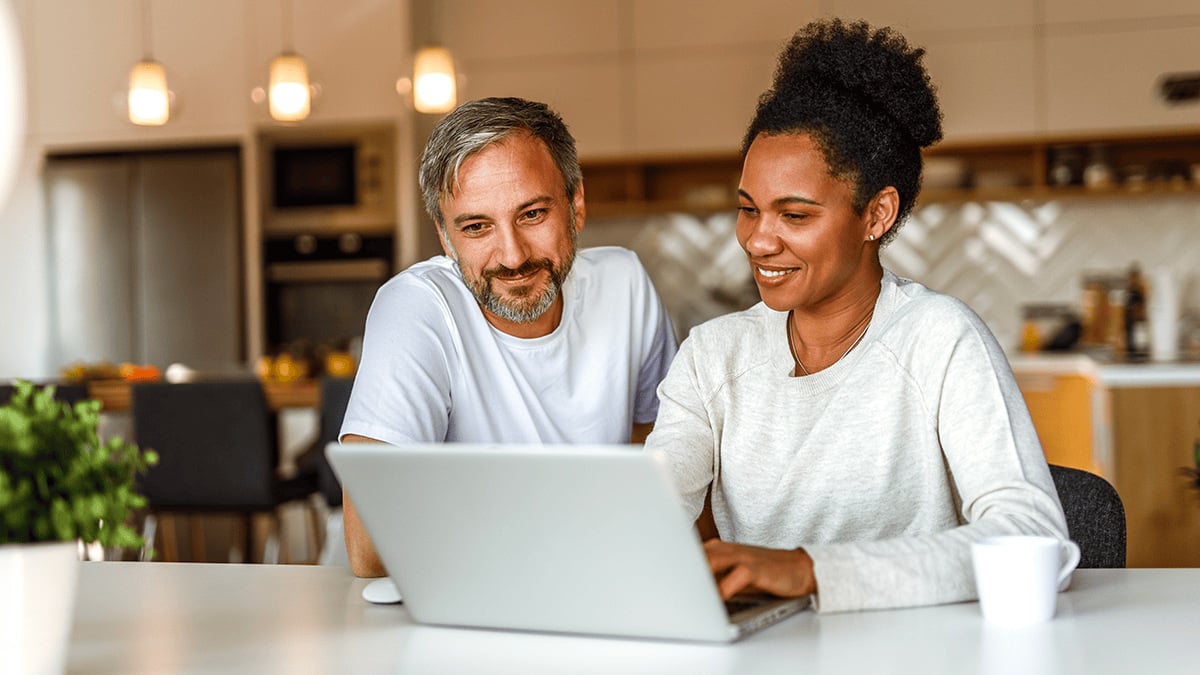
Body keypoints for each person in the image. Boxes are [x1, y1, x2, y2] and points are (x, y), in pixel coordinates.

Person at [644, 20, 1069, 613]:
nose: (759, 241)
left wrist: (811, 570)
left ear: (876, 215)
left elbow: (1034, 536)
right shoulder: (713, 356)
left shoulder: (939, 338)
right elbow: (650, 512)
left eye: (794, 216)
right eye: (748, 210)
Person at [340, 97, 678, 577]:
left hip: (594, 586)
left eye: (533, 214)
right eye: (477, 227)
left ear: (576, 204)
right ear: (444, 237)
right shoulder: (415, 308)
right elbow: (371, 550)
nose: (513, 255)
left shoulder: (625, 283)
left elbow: (667, 461)